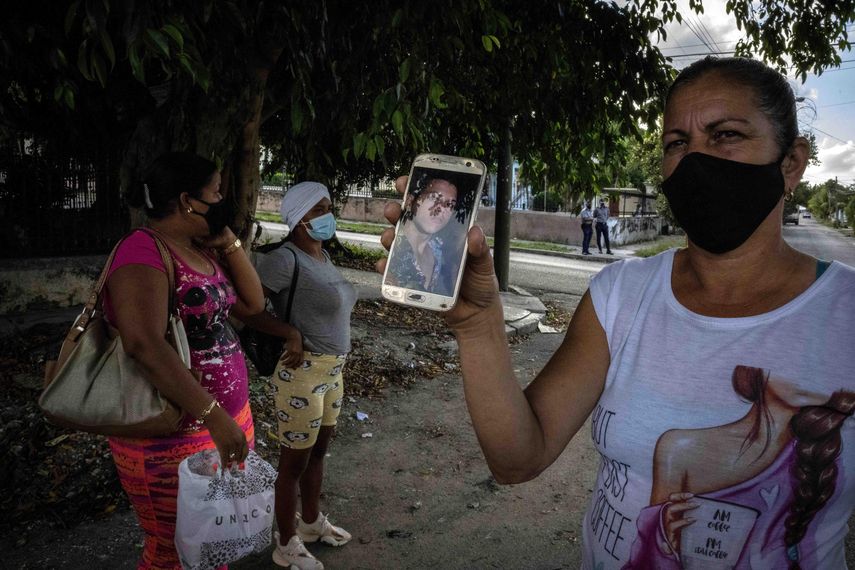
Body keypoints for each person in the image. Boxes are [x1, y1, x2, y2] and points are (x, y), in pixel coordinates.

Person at [377, 56, 855, 569]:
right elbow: (518, 458)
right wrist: (477, 326)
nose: (696, 160)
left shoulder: (844, 315)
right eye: (677, 143)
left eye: (725, 135)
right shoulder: (620, 295)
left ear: (791, 163)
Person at [106, 151, 264, 569]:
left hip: (222, 424)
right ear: (186, 201)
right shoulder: (141, 250)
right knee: (173, 552)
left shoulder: (199, 251)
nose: (222, 199)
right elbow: (143, 343)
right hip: (174, 434)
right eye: (215, 193)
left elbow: (252, 303)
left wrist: (228, 242)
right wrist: (212, 415)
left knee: (213, 545)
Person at [242, 181, 357, 570]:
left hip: (334, 372)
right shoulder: (286, 258)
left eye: (328, 207)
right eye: (319, 209)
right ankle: (286, 541)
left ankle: (309, 524)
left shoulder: (323, 257)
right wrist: (289, 332)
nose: (328, 215)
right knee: (293, 464)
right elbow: (246, 308)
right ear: (299, 219)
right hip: (301, 375)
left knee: (319, 453)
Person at [386, 175, 465, 296]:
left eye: (450, 204)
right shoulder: (396, 246)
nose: (441, 208)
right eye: (434, 197)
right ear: (411, 201)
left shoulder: (440, 251)